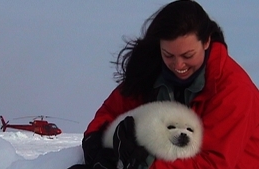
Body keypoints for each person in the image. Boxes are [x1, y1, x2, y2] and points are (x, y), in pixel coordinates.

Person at [69, 0, 259, 168]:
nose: (178, 65)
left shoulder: (233, 90)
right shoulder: (151, 71)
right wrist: (96, 144)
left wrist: (146, 163)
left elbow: (213, 163)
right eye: (168, 55)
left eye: (188, 55)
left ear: (206, 42)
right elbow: (112, 110)